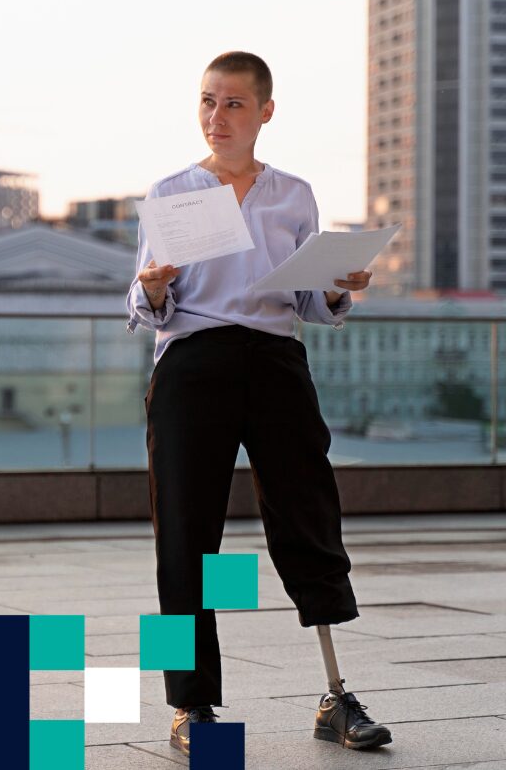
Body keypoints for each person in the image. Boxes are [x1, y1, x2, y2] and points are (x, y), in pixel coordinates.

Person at [126, 51, 392, 755]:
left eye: (234, 103)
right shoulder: (172, 191)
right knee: (183, 536)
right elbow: (144, 306)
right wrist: (154, 285)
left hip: (275, 362)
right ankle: (189, 706)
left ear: (265, 112)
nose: (218, 116)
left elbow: (312, 300)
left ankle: (336, 695)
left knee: (309, 516)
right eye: (209, 101)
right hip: (193, 363)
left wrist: (340, 284)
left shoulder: (292, 195)